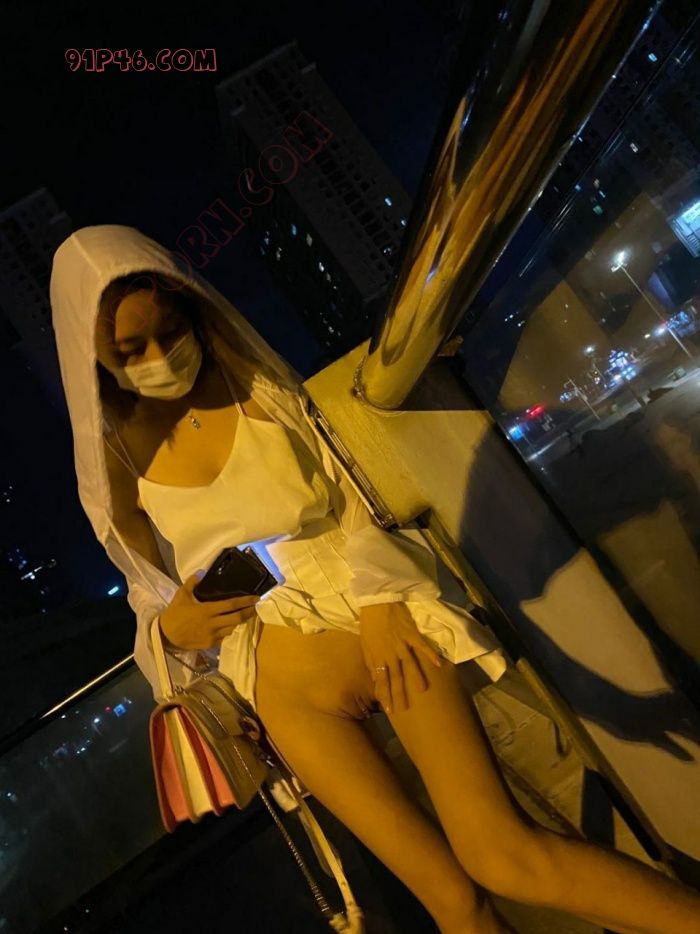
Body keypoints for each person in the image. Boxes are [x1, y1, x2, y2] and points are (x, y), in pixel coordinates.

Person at [50, 225, 700, 934]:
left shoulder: (251, 379)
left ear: (188, 306)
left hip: (372, 609)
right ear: (91, 356)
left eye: (168, 330)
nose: (158, 357)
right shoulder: (111, 462)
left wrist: (386, 598)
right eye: (130, 350)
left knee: (504, 856)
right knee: (451, 901)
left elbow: (352, 481)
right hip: (280, 677)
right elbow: (148, 592)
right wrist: (170, 632)